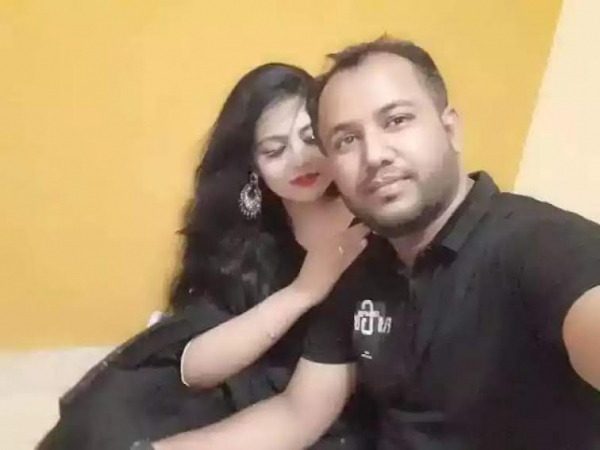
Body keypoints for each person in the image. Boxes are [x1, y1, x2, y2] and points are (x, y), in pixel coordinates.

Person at [149, 38, 600, 450]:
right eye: (347, 139)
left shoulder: (539, 245)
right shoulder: (361, 265)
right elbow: (295, 414)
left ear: (450, 129)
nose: (375, 155)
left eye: (397, 121)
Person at [37, 63, 371, 450]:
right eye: (274, 150)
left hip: (322, 397)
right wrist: (303, 290)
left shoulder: (372, 210)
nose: (299, 159)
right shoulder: (248, 235)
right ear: (253, 167)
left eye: (310, 138)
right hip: (239, 381)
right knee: (107, 420)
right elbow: (193, 368)